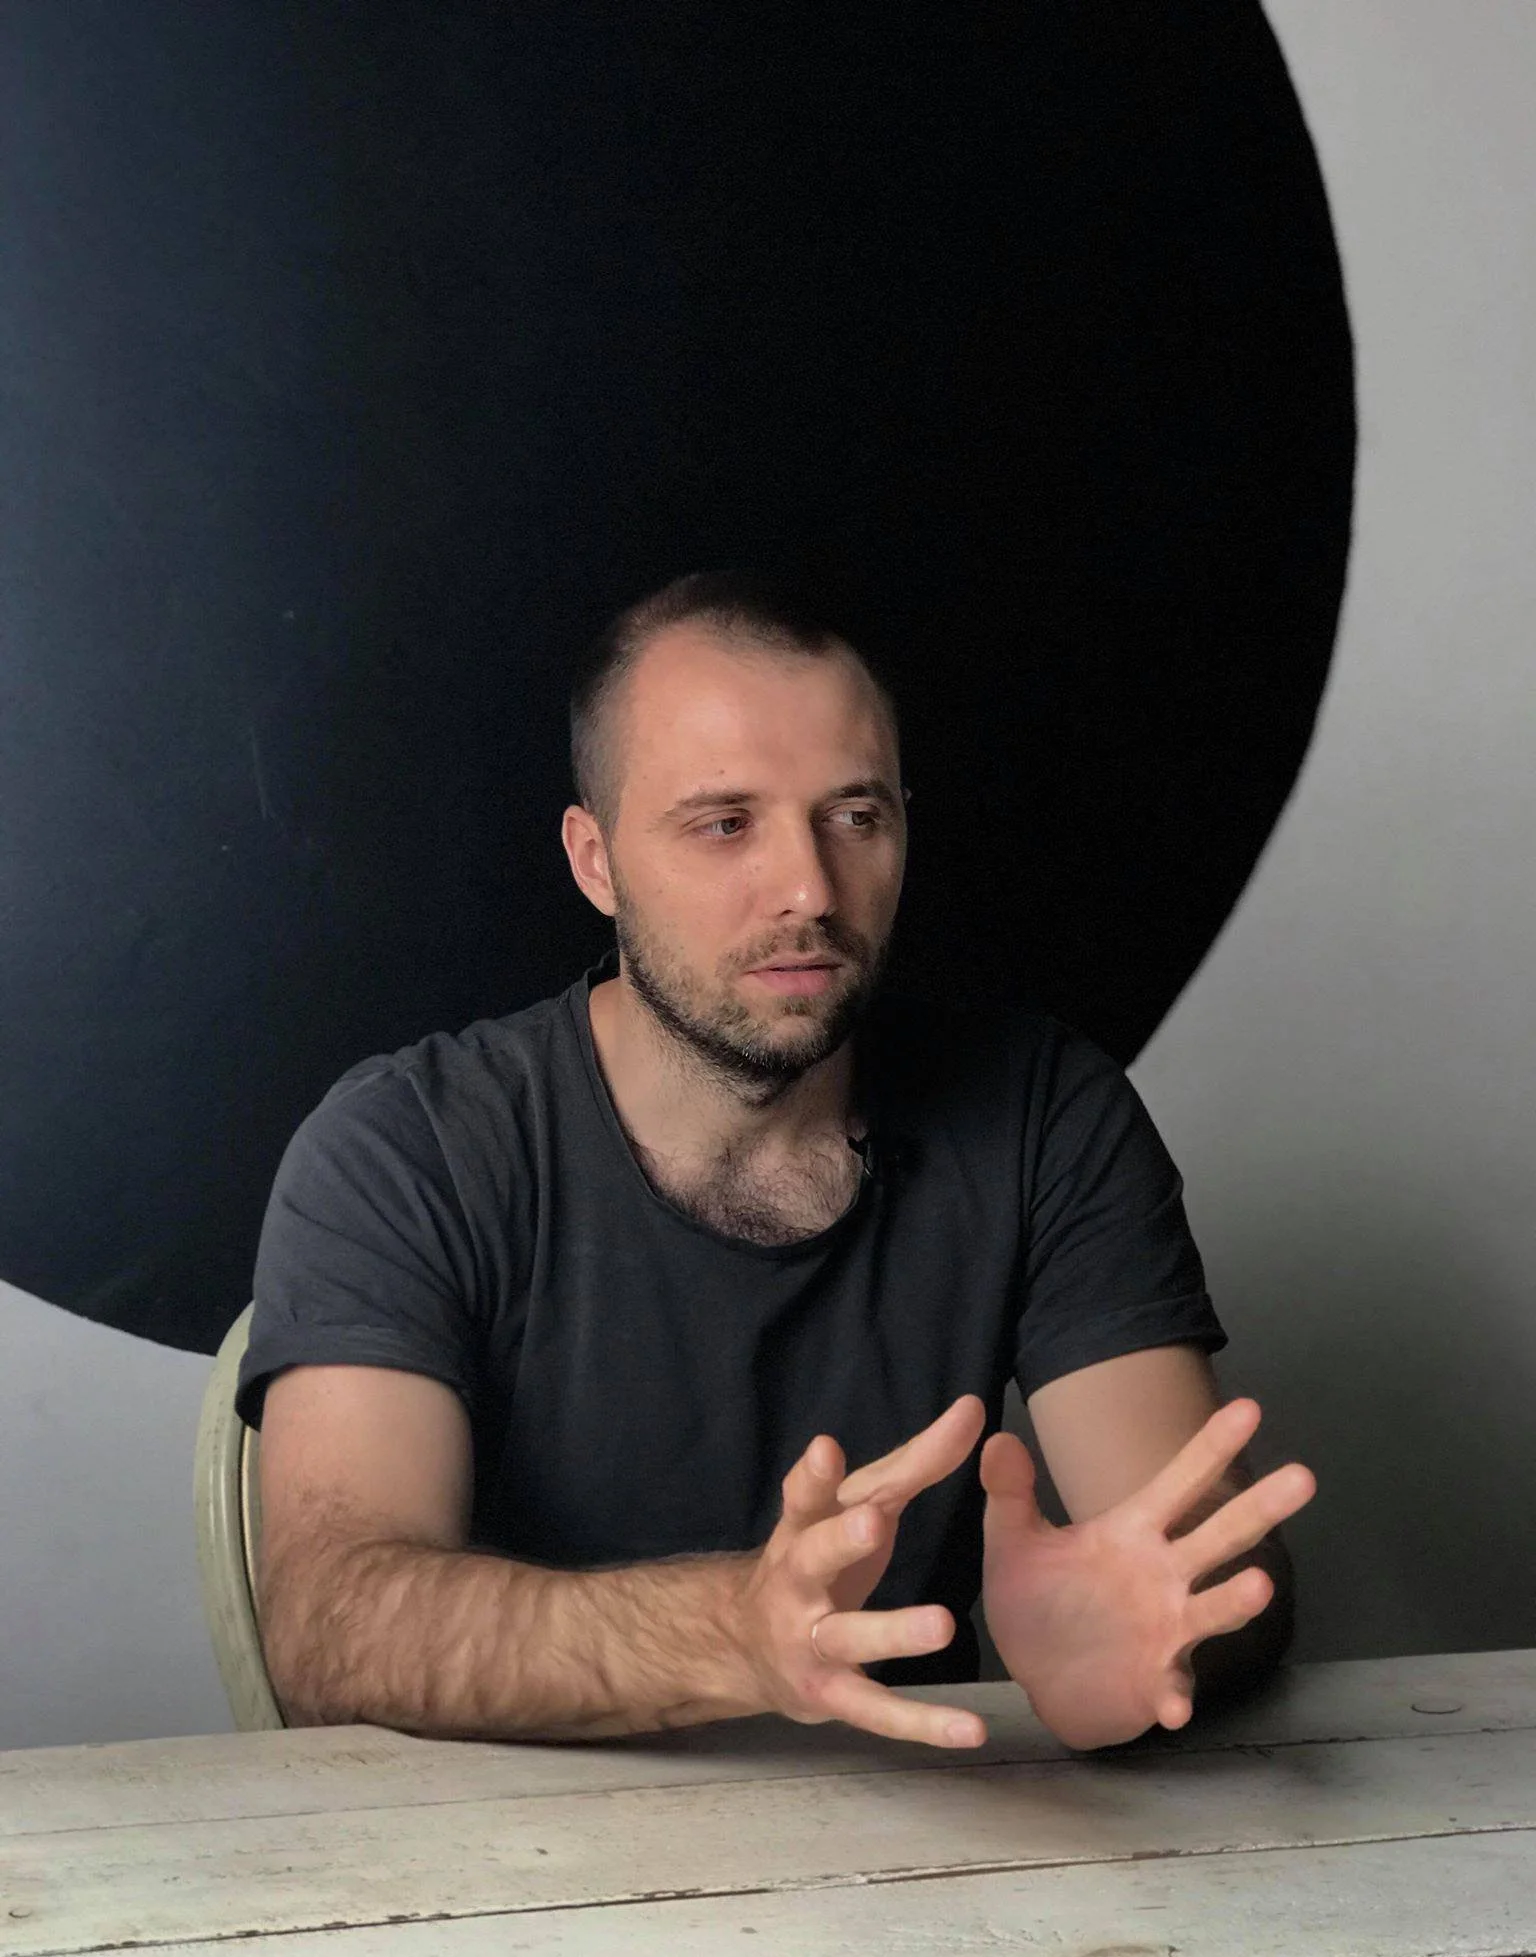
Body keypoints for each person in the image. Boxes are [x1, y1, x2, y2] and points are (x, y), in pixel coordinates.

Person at [240, 571, 1316, 1755]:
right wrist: (734, 1634)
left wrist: (1157, 1632)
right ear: (595, 859)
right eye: (725, 824)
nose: (809, 888)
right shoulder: (408, 1147)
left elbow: (1202, 1555)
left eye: (855, 817)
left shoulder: (1044, 1114)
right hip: (497, 1850)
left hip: (927, 1834)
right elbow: (334, 1627)